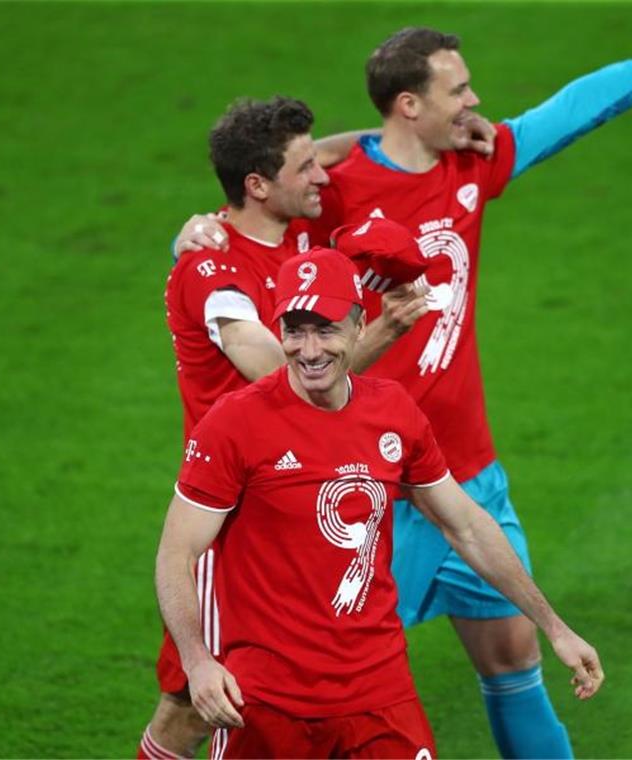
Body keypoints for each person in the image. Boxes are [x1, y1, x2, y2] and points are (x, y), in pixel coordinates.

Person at [174, 7, 632, 756]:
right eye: (458, 92)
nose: (476, 104)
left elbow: (571, 110)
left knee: (515, 660)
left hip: (467, 476)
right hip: (365, 489)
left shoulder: (476, 162)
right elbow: (261, 210)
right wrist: (202, 227)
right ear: (409, 105)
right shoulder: (330, 193)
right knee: (291, 687)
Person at [155, 247, 604, 759]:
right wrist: (196, 661)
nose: (308, 349)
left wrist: (554, 627)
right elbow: (176, 553)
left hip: (379, 696)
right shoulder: (235, 423)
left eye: (325, 329)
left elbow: (466, 526)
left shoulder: (392, 411)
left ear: (359, 323)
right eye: (294, 330)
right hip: (269, 703)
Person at [143, 95, 432, 760]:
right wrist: (385, 327)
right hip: (235, 512)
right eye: (304, 168)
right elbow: (280, 374)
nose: (323, 177)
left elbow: (349, 149)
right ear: (257, 186)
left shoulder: (296, 234)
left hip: (297, 487)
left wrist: (426, 132)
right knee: (201, 704)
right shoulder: (214, 271)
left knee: (203, 706)